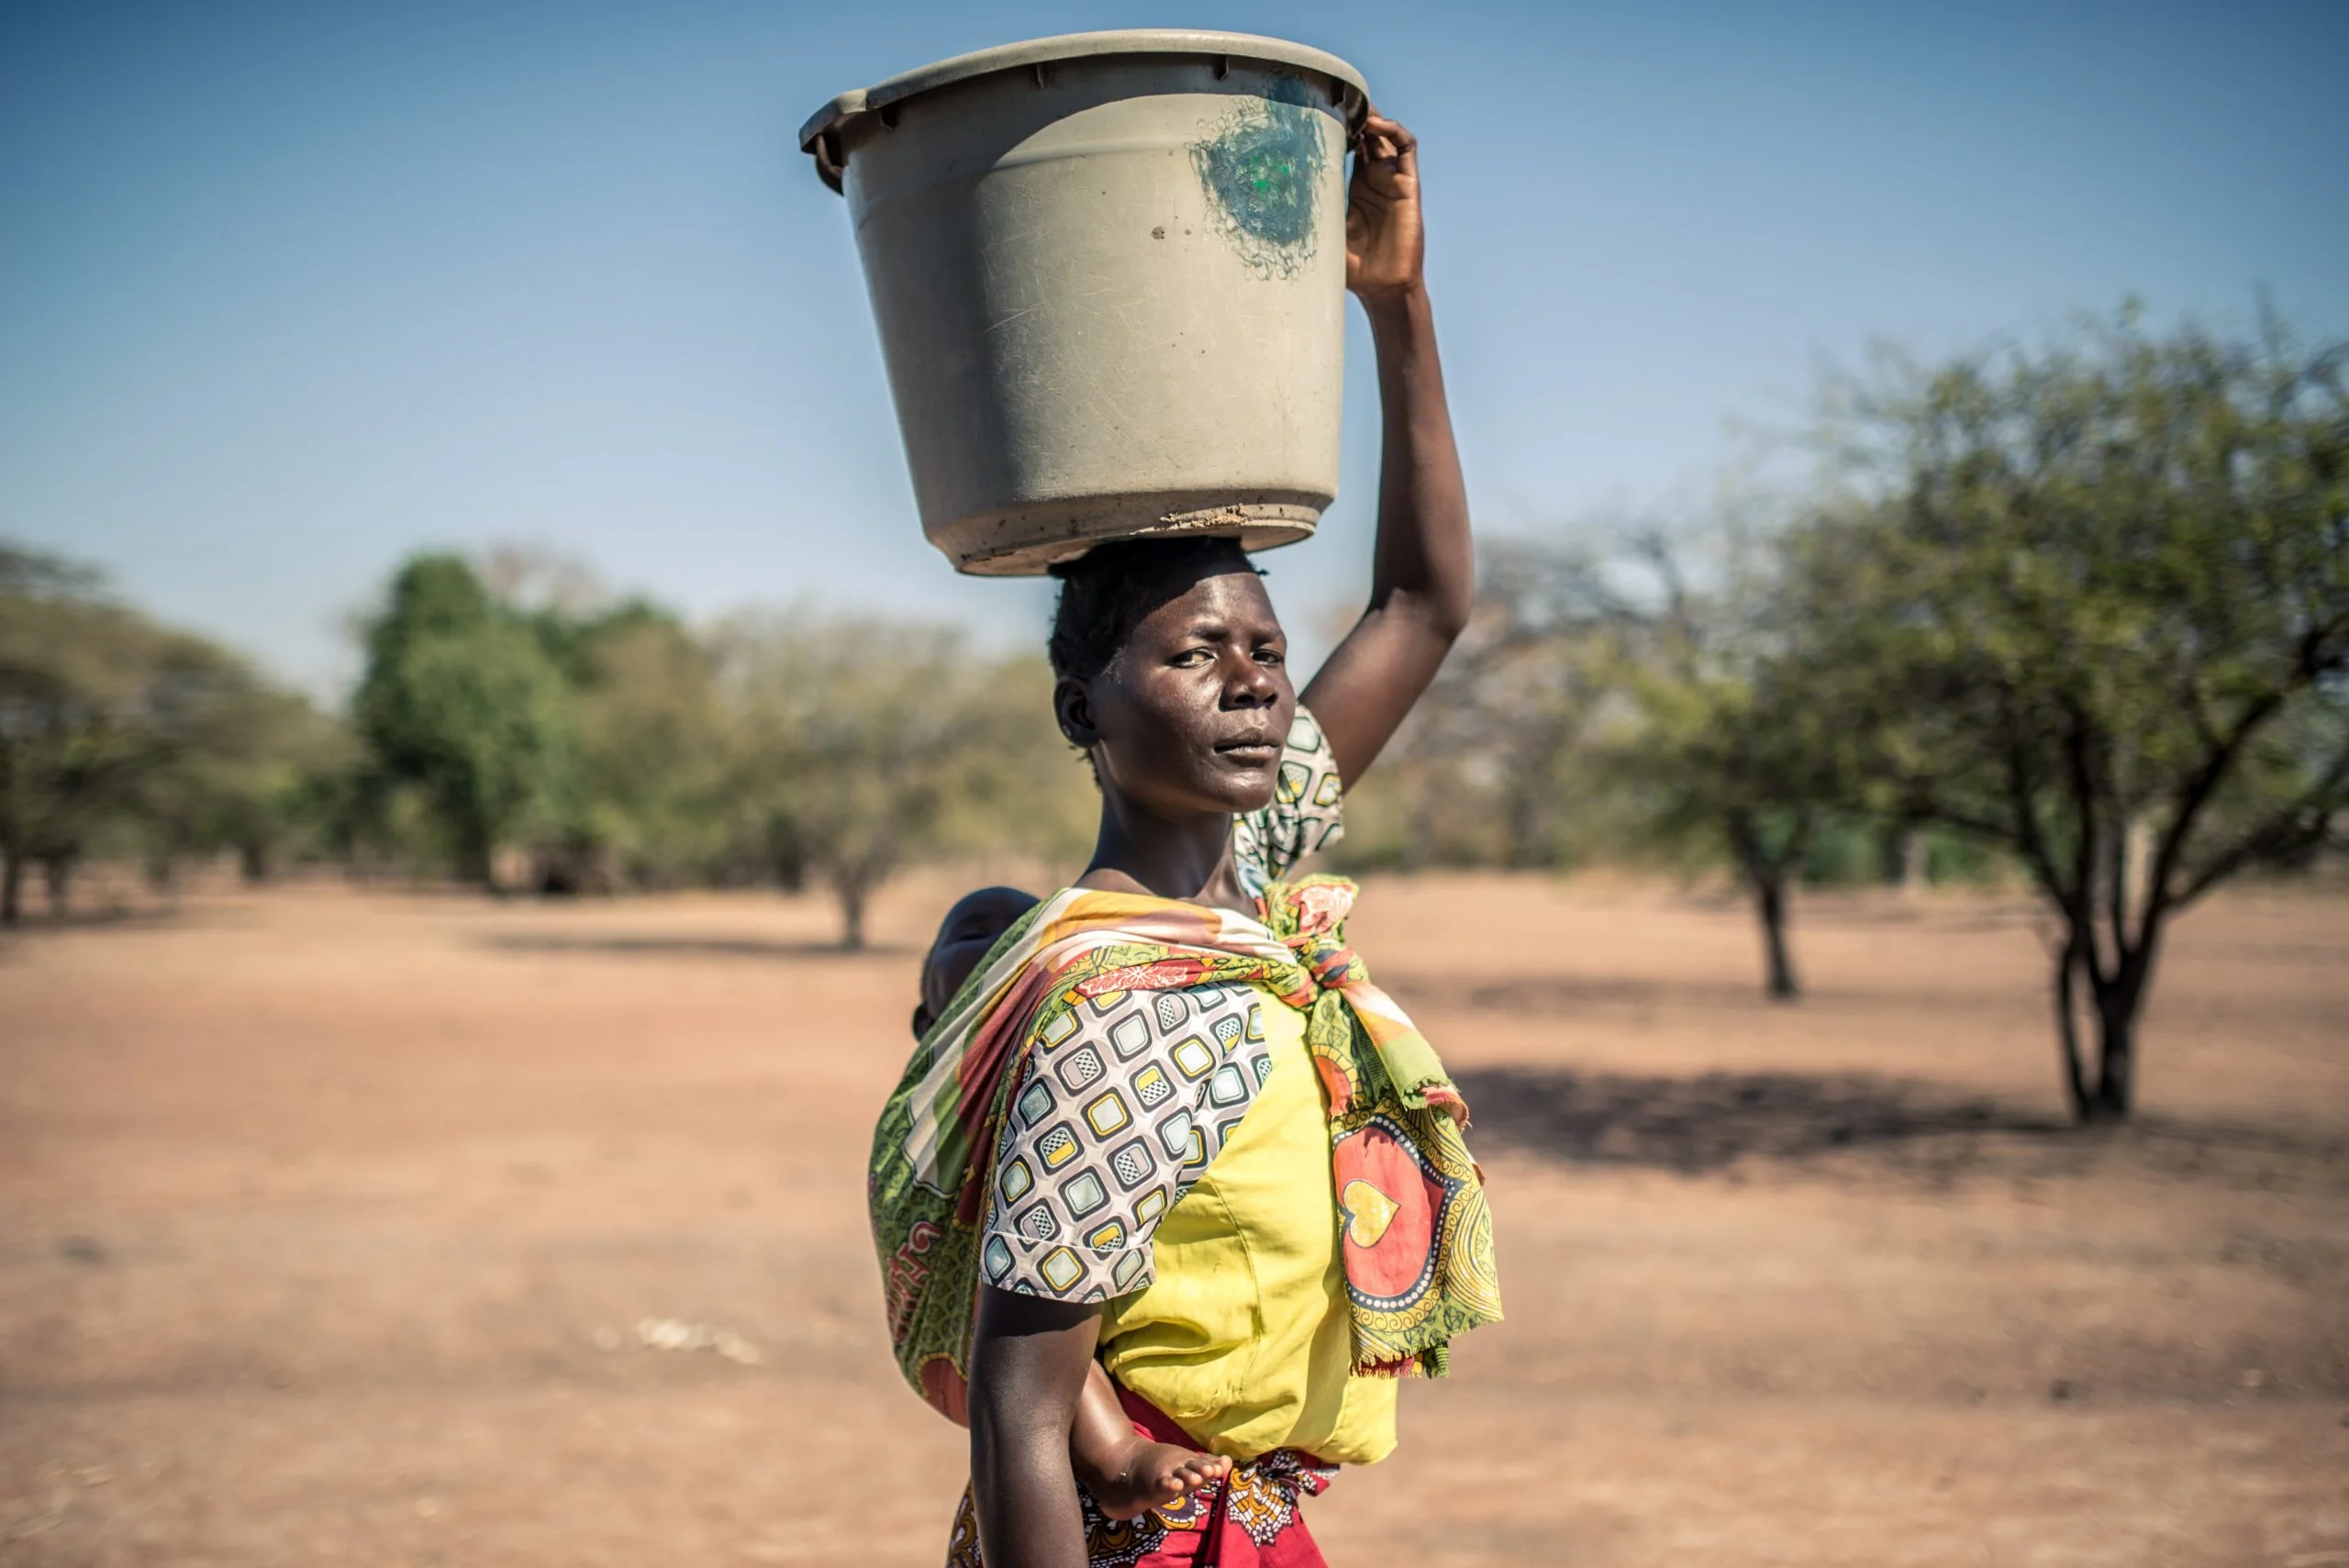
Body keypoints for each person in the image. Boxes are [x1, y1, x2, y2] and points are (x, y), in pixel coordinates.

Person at [869, 111, 1497, 1568]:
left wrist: (1395, 301)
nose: (1255, 680)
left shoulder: (1260, 886)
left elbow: (1420, 605)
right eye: (1197, 653)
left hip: (1255, 1525)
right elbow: (1023, 1416)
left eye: (1266, 649)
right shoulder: (1115, 1013)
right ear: (1081, 705)